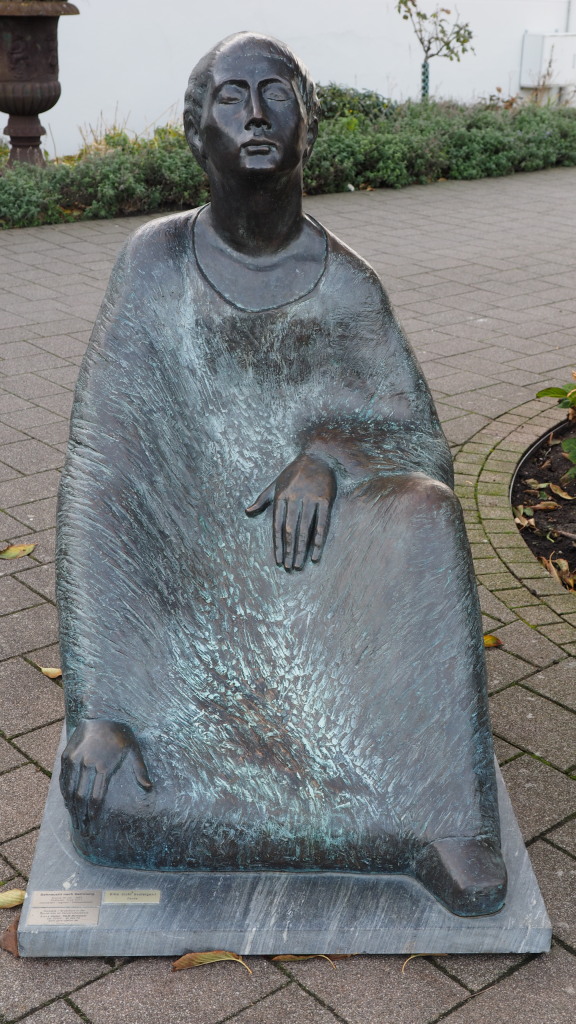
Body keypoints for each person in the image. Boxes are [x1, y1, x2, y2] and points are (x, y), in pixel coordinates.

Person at [57, 32, 506, 916]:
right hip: (188, 605)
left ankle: (440, 818)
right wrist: (101, 703)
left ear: (308, 128)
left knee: (426, 513)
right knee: (111, 800)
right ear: (197, 133)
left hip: (320, 589)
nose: (256, 115)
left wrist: (332, 457)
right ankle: (380, 820)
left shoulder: (349, 291)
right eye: (231, 97)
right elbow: (102, 481)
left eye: (276, 94)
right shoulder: (153, 269)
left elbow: (423, 445)